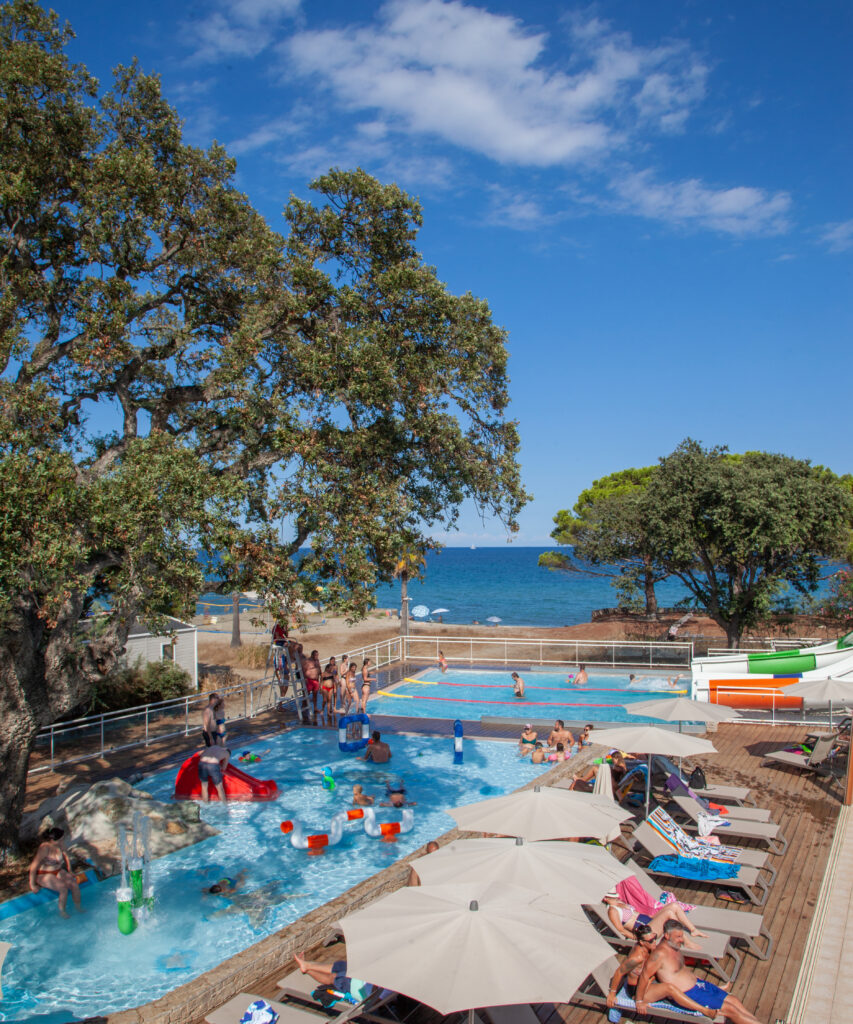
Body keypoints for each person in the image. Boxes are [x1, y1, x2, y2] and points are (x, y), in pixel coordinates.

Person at [637, 920, 763, 1023]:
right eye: (678, 937)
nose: (681, 939)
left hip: (699, 985)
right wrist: (639, 1001)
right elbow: (644, 976)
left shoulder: (674, 946)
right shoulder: (658, 955)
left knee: (734, 1000)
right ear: (667, 936)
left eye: (682, 936)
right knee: (730, 1009)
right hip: (689, 994)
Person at [605, 923, 717, 1020]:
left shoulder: (650, 948)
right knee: (669, 988)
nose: (654, 942)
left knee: (674, 974)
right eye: (650, 940)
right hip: (637, 991)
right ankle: (704, 1010)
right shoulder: (637, 958)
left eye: (654, 937)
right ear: (642, 942)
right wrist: (612, 993)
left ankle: (706, 989)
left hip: (649, 981)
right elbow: (619, 972)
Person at [603, 892, 707, 946]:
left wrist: (655, 917)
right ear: (605, 899)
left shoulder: (620, 903)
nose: (616, 897)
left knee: (674, 905)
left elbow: (638, 914)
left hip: (650, 921)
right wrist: (637, 938)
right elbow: (621, 930)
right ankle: (685, 941)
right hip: (647, 931)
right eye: (612, 897)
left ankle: (693, 930)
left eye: (615, 896)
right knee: (669, 913)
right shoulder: (612, 911)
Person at [28, 827, 83, 918]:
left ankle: (78, 907)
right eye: (61, 839)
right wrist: (32, 884)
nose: (63, 840)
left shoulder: (60, 845)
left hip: (57, 871)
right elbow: (33, 866)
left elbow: (66, 856)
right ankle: (62, 912)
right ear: (55, 839)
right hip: (43, 874)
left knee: (74, 884)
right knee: (63, 888)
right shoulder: (45, 848)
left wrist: (70, 870)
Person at [293, 952, 378, 1005]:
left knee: (333, 977)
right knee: (345, 966)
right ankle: (308, 965)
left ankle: (307, 968)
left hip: (360, 990)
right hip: (368, 983)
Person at [302, 648, 321, 716]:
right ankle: (303, 706)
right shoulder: (308, 661)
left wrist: (320, 677)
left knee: (315, 695)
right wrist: (305, 678)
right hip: (309, 680)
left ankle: (315, 708)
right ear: (312, 655)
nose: (317, 656)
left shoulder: (317, 661)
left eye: (317, 655)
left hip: (316, 680)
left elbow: (319, 669)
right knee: (306, 694)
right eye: (316, 655)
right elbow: (304, 670)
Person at [320, 656, 338, 725]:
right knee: (325, 700)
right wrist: (320, 688)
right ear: (327, 668)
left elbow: (333, 681)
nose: (331, 669)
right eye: (330, 668)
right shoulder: (323, 674)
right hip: (325, 687)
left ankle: (328, 712)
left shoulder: (332, 674)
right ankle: (322, 709)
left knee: (329, 700)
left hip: (331, 688)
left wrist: (335, 688)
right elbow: (321, 681)